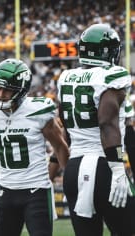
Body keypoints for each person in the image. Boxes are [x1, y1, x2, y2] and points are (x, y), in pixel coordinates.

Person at [57, 23, 133, 235]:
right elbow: (106, 124)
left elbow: (65, 125)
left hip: (74, 168)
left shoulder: (65, 78)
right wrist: (118, 170)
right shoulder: (112, 77)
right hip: (104, 166)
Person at [0, 58, 69, 236]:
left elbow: (60, 147)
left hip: (36, 190)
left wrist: (69, 182)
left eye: (6, 89)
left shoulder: (38, 111)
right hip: (5, 190)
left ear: (21, 91)